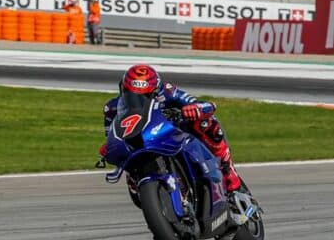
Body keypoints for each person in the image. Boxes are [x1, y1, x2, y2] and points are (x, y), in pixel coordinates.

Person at [100, 64, 241, 192]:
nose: (138, 101)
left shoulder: (167, 91)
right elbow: (111, 136)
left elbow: (200, 104)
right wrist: (109, 148)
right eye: (132, 95)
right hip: (141, 142)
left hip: (174, 131)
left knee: (207, 123)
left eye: (145, 96)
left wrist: (194, 109)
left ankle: (228, 168)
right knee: (128, 170)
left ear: (156, 91)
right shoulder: (111, 108)